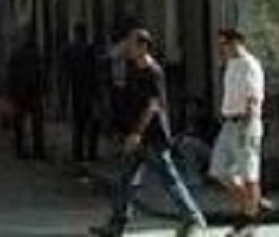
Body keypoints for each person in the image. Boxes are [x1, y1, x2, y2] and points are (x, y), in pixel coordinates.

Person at [89, 29, 207, 237]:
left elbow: (153, 106)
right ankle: (117, 224)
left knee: (169, 179)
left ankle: (193, 218)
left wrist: (137, 133)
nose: (129, 48)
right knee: (125, 180)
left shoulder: (154, 72)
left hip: (153, 137)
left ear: (143, 47)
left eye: (132, 44)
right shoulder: (133, 68)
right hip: (136, 136)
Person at [210, 29, 265, 236]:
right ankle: (254, 205)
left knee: (249, 174)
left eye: (225, 43)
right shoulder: (231, 64)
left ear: (237, 42)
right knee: (219, 169)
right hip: (229, 122)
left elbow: (253, 97)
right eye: (220, 44)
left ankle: (248, 220)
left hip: (245, 122)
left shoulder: (249, 64)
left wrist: (248, 126)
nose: (222, 48)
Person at [62, 23, 102, 163]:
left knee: (79, 125)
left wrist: (65, 95)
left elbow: (65, 73)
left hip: (77, 92)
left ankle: (78, 153)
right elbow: (96, 72)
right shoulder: (90, 50)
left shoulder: (70, 50)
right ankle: (91, 152)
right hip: (90, 92)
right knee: (92, 124)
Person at [6, 35, 46, 160]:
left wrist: (11, 93)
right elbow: (40, 74)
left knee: (20, 122)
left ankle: (20, 148)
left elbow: (10, 75)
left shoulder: (16, 55)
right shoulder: (36, 56)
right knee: (36, 122)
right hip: (32, 92)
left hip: (20, 93)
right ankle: (37, 149)